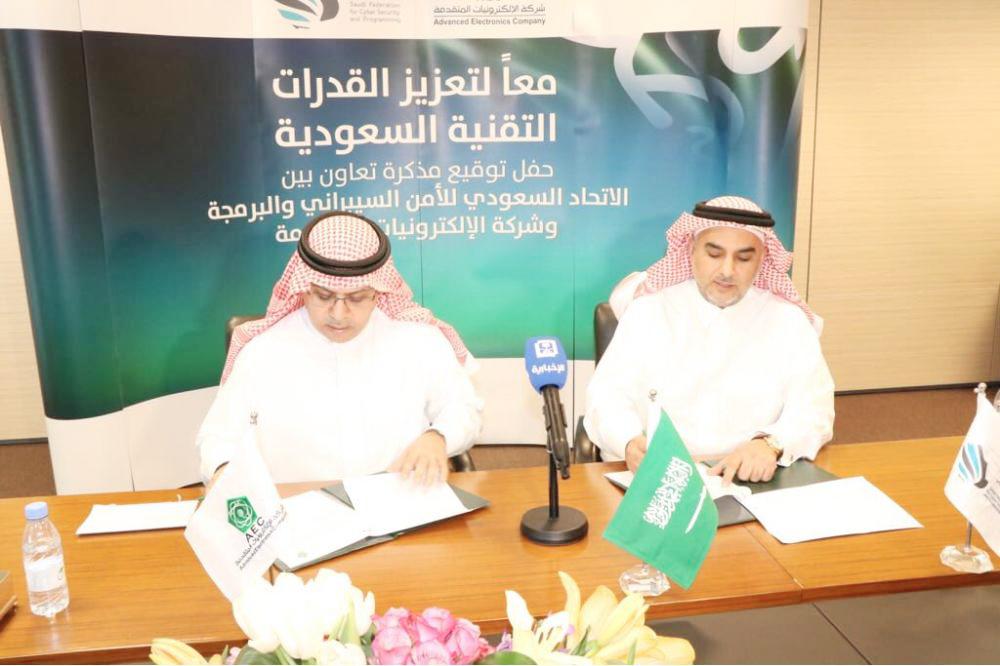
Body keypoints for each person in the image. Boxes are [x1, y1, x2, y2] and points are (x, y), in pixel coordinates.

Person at [197, 211, 482, 486]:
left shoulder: (419, 340)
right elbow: (218, 436)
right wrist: (223, 470)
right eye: (324, 296)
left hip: (398, 499)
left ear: (377, 292)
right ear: (304, 288)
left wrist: (438, 437)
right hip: (295, 507)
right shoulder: (263, 351)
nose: (338, 314)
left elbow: (463, 408)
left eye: (356, 298)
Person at [584, 196, 834, 484]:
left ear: (762, 259)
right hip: (658, 477)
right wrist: (628, 441)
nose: (727, 271)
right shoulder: (649, 310)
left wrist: (771, 444)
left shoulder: (788, 320)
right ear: (691, 250)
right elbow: (606, 396)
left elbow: (816, 408)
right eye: (714, 254)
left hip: (751, 478)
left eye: (744, 258)